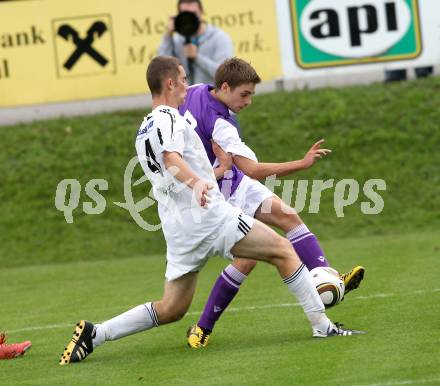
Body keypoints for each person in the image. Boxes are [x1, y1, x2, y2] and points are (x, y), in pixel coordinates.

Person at [58, 56, 363, 365]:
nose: (187, 85)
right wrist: (199, 184)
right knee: (283, 250)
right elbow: (172, 159)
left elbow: (170, 170)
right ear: (170, 83)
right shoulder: (169, 117)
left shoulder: (144, 128)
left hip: (178, 227)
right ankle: (324, 328)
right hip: (208, 216)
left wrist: (213, 176)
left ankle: (96, 334)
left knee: (172, 308)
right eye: (183, 78)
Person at [178, 58, 365, 348]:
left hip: (234, 181)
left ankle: (325, 275)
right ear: (225, 86)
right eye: (245, 94)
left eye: (251, 94)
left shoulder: (195, 90)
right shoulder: (221, 124)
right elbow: (253, 168)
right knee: (248, 258)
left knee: (286, 215)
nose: (249, 101)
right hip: (220, 196)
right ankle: (202, 328)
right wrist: (301, 164)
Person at [158, 0, 233, 85]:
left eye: (193, 13)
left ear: (202, 12)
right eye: (186, 13)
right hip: (185, 97)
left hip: (211, 96)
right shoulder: (176, 39)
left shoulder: (219, 38)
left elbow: (225, 75)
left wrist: (197, 57)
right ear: (179, 15)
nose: (190, 17)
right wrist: (168, 34)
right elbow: (161, 68)